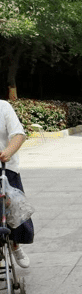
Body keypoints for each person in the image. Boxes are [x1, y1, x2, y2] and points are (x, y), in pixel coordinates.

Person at [0, 100, 33, 268]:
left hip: (4, 168)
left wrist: (7, 152)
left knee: (13, 208)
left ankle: (15, 245)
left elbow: (18, 134)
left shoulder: (3, 106)